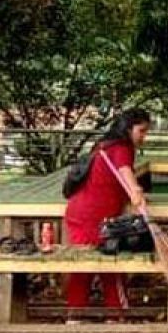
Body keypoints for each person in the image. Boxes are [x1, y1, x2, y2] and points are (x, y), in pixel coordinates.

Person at [64, 108, 150, 316]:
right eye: (142, 131)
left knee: (83, 265)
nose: (144, 137)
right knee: (110, 263)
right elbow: (126, 173)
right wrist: (136, 194)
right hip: (94, 217)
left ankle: (76, 315)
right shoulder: (122, 148)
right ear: (128, 129)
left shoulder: (104, 145)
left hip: (79, 212)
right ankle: (117, 313)